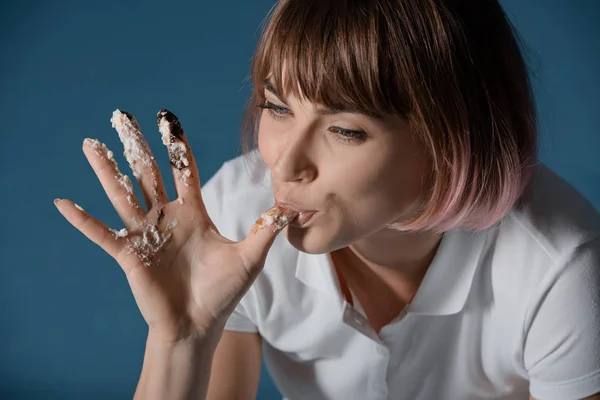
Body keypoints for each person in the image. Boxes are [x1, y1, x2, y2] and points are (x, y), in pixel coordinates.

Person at [54, 0, 600, 399]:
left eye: (345, 130)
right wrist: (182, 340)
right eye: (277, 107)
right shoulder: (232, 218)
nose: (284, 165)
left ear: (452, 141)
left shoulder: (561, 267)